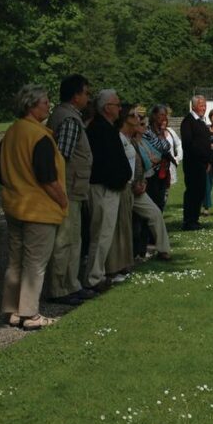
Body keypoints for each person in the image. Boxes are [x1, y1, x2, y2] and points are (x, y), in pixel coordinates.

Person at [0, 84, 68, 330]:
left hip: (15, 204)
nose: (49, 106)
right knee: (36, 262)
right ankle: (30, 313)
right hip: (38, 208)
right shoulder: (38, 135)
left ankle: (12, 309)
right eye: (45, 102)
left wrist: (13, 182)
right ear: (31, 105)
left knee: (15, 260)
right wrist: (62, 199)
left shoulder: (12, 131)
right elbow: (47, 176)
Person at [44, 74, 95, 306]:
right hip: (69, 190)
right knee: (66, 239)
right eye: (86, 93)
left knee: (74, 238)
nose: (88, 97)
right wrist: (60, 191)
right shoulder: (70, 120)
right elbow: (61, 159)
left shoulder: (67, 117)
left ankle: (71, 284)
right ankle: (60, 288)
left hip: (73, 188)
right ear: (76, 96)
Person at [84, 89, 132, 289]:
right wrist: (117, 180)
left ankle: (97, 274)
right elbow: (103, 163)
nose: (120, 109)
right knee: (101, 234)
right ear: (106, 108)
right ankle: (93, 277)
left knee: (104, 234)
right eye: (116, 105)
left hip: (110, 187)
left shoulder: (106, 127)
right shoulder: (99, 129)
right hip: (104, 189)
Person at [127, 109, 172, 261]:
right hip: (130, 186)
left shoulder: (143, 140)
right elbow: (147, 162)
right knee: (133, 224)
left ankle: (163, 249)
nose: (144, 127)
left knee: (154, 213)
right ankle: (133, 255)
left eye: (144, 124)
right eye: (141, 124)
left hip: (143, 184)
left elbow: (160, 153)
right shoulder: (128, 141)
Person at [180, 95, 211, 231]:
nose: (203, 108)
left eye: (204, 105)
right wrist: (200, 158)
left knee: (200, 192)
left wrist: (208, 160)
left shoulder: (201, 122)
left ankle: (195, 219)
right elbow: (188, 144)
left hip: (202, 164)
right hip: (193, 164)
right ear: (193, 106)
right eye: (201, 105)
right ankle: (188, 220)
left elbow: (205, 143)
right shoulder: (188, 122)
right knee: (192, 192)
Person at [142, 104, 174, 211]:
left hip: (162, 172)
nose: (164, 118)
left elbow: (167, 147)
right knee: (152, 201)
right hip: (151, 174)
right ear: (154, 116)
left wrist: (161, 134)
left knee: (161, 201)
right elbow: (161, 147)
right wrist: (161, 136)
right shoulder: (147, 131)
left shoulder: (160, 132)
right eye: (161, 115)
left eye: (165, 115)